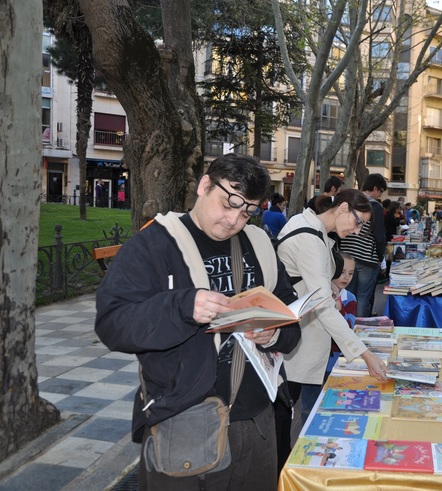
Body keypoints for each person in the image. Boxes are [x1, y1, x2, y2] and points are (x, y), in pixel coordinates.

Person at [95, 154, 301, 490]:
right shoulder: (155, 244)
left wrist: (275, 334)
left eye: (247, 210)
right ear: (205, 185)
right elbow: (112, 324)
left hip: (258, 421)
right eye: (228, 203)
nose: (234, 219)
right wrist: (181, 306)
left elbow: (292, 321)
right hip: (185, 421)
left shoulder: (259, 244)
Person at [279, 188, 387, 423]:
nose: (357, 231)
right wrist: (366, 355)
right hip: (294, 334)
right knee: (284, 411)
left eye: (362, 228)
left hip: (299, 329)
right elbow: (323, 306)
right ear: (343, 208)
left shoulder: (313, 229)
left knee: (287, 407)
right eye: (358, 223)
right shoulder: (311, 239)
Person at [339, 174, 387, 317]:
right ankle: (361, 328)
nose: (380, 195)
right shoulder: (375, 206)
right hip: (367, 258)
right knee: (363, 296)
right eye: (381, 191)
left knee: (349, 294)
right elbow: (379, 235)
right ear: (375, 188)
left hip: (347, 256)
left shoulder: (350, 202)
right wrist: (380, 257)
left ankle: (349, 324)